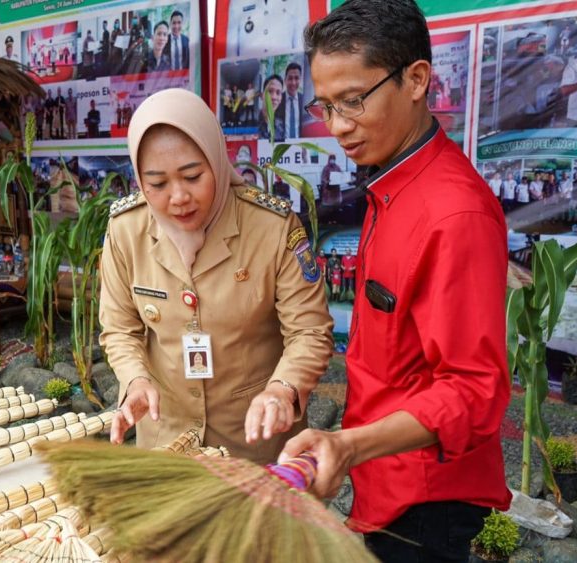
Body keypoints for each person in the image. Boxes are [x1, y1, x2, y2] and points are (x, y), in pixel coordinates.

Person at [282, 2, 512, 560]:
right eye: (325, 105)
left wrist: (347, 445)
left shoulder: (453, 213)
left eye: (353, 100)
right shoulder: (391, 181)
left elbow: (474, 391)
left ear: (416, 79)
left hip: (427, 497)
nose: (337, 126)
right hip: (386, 478)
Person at [100, 89, 333, 464]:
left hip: (255, 439)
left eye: (193, 176)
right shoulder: (127, 230)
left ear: (217, 160)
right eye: (157, 184)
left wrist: (283, 388)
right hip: (166, 437)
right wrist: (135, 380)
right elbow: (119, 328)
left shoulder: (271, 227)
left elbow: (309, 330)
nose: (179, 197)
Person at [227, 0, 308, 58]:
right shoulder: (237, 2)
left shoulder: (298, 1)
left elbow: (301, 48)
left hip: (284, 71)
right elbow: (231, 52)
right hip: (248, 72)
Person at [258, 74, 285, 142]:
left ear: (281, 99)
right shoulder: (252, 123)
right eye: (270, 91)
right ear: (262, 95)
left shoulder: (282, 127)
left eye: (278, 93)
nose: (274, 97)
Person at [283, 62, 304, 139]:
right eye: (290, 78)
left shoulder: (304, 101)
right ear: (285, 80)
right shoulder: (278, 100)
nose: (293, 82)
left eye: (296, 78)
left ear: (300, 80)